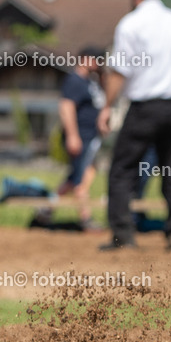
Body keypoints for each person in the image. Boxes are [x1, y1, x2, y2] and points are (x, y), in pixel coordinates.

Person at [98, 0, 171, 251]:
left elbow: (120, 71)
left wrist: (107, 107)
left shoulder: (130, 25)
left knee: (122, 169)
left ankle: (123, 236)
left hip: (144, 107)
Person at [56, 46, 106, 229]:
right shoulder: (75, 80)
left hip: (90, 137)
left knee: (74, 178)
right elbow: (66, 107)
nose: (99, 63)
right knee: (79, 179)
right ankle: (86, 218)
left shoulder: (90, 82)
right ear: (85, 58)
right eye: (96, 59)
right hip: (81, 137)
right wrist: (72, 136)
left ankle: (44, 212)